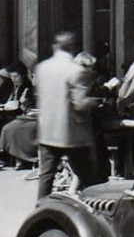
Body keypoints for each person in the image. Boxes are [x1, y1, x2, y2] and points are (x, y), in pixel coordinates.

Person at [33, 31, 100, 199]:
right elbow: (80, 104)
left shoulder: (42, 68)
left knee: (46, 176)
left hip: (47, 130)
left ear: (55, 46)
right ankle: (96, 207)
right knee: (88, 175)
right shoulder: (76, 70)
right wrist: (95, 102)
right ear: (73, 48)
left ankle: (40, 210)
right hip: (72, 133)